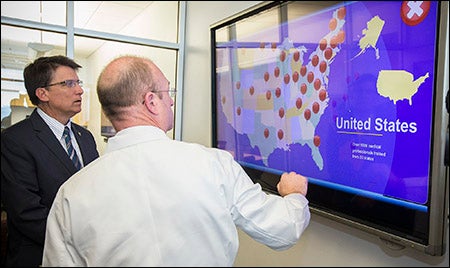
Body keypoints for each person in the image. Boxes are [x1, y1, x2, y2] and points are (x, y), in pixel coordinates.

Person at [42, 55, 310, 267]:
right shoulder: (213, 165)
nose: (170, 101)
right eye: (167, 92)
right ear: (151, 102)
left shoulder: (72, 194)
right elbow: (282, 231)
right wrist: (295, 196)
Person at [1, 55, 99, 267]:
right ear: (42, 93)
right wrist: (78, 243)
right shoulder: (15, 140)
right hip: (42, 255)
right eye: (68, 84)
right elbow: (25, 212)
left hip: (88, 254)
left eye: (78, 83)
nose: (79, 90)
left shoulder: (86, 137)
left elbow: (96, 192)